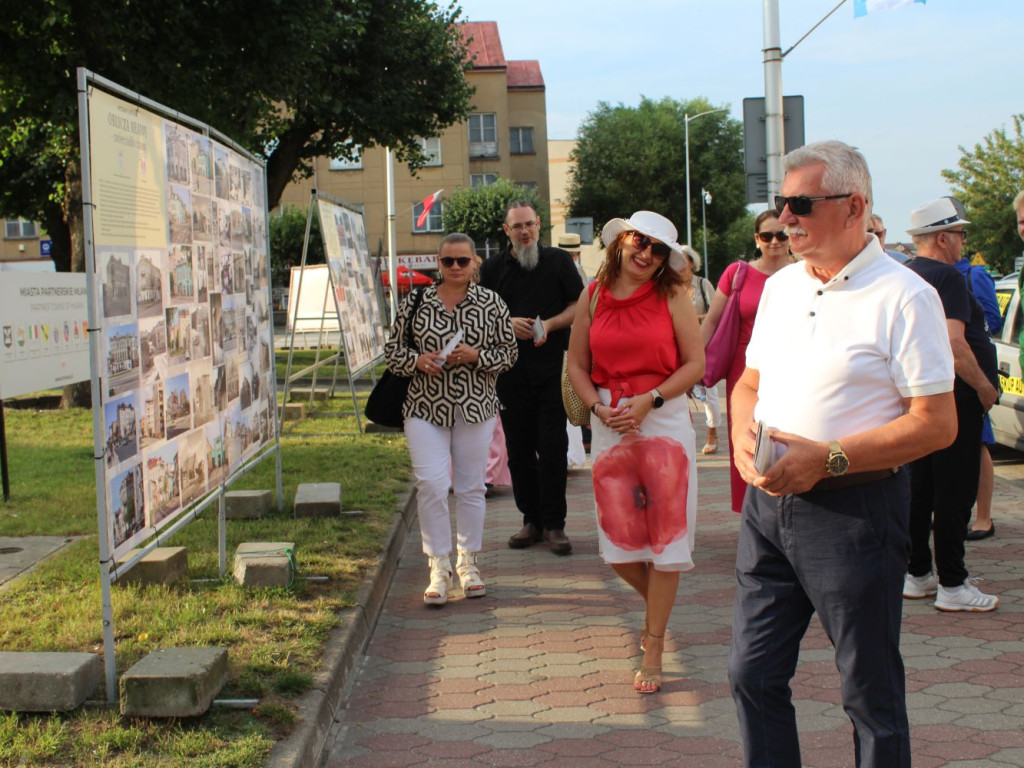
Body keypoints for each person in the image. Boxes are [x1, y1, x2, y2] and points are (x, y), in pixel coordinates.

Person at [727, 140, 957, 768]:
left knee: (868, 693)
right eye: (781, 203)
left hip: (855, 513)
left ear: (854, 206)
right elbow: (749, 384)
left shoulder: (905, 297)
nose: (784, 219)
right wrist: (745, 439)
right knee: (751, 673)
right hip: (768, 511)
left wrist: (828, 458)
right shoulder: (779, 289)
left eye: (800, 203)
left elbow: (937, 424)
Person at [566, 210, 704, 694]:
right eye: (640, 242)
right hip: (610, 421)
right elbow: (577, 365)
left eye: (658, 249)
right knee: (620, 547)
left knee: (666, 542)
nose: (646, 254)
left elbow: (696, 363)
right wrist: (598, 410)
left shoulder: (672, 295)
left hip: (663, 417)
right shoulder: (594, 295)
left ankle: (654, 643)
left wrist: (652, 400)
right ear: (621, 241)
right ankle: (659, 612)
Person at [384, 233, 517, 605]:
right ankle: (437, 565)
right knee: (431, 483)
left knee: (472, 487)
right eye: (448, 261)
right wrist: (417, 361)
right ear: (438, 263)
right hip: (424, 405)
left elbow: (509, 354)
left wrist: (477, 356)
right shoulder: (416, 301)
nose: (456, 268)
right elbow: (392, 351)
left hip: (475, 405)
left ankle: (468, 562)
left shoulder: (491, 303)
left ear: (475, 262)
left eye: (463, 261)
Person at [903, 197, 1001, 611]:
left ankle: (919, 572)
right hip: (957, 395)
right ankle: (954, 585)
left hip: (920, 393)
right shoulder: (947, 277)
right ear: (943, 238)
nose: (964, 241)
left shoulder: (905, 274)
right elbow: (955, 342)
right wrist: (983, 387)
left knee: (921, 487)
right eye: (960, 234)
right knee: (954, 491)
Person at [480, 201, 584, 554]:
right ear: (506, 230)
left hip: (553, 371)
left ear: (539, 225)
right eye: (517, 226)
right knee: (518, 452)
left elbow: (578, 307)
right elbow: (477, 315)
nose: (525, 232)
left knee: (553, 449)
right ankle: (531, 521)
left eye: (530, 224)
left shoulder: (557, 262)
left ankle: (555, 525)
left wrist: (550, 325)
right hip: (508, 375)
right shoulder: (492, 269)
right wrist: (506, 324)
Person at [701, 209, 793, 512]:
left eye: (781, 234)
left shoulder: (806, 271)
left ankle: (791, 510)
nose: (775, 241)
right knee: (747, 441)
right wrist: (693, 364)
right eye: (767, 235)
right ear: (757, 239)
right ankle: (753, 518)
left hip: (792, 368)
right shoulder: (738, 272)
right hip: (745, 373)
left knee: (789, 439)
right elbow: (712, 321)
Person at [952, 225, 1003, 541]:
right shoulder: (927, 273)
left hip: (971, 368)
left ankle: (983, 517)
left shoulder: (974, 275)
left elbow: (992, 320)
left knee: (979, 443)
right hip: (944, 374)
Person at [678, 245, 721, 454]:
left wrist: (697, 319)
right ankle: (686, 433)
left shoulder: (703, 285)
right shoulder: (670, 287)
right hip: (677, 346)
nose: (679, 266)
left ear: (692, 263)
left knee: (709, 393)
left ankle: (712, 430)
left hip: (703, 345)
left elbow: (717, 314)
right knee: (680, 392)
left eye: (683, 261)